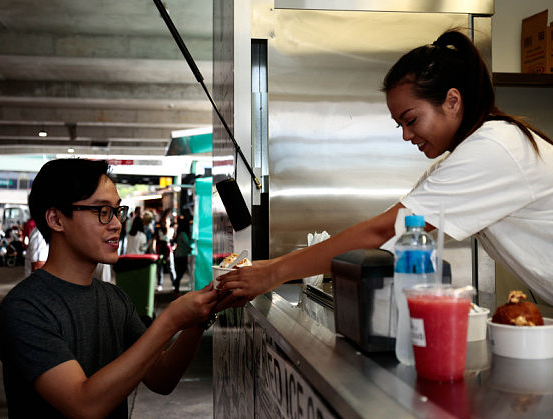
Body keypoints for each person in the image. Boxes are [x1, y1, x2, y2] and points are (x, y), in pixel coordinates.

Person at [218, 29, 553, 306]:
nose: (407, 135)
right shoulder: (469, 154)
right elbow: (394, 228)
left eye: (411, 120)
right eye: (400, 125)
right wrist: (268, 266)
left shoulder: (493, 148)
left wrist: (272, 274)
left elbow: (385, 231)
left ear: (452, 101)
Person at [0, 158, 229, 418]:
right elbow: (84, 404)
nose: (117, 223)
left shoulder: (114, 298)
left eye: (118, 211)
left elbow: (161, 378)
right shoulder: (25, 309)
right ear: (56, 219)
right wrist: (170, 320)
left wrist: (200, 315)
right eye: (102, 211)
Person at [153, 214, 176, 292]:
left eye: (166, 222)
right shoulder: (159, 230)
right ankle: (159, 284)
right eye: (164, 222)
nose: (165, 223)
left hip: (169, 250)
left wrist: (173, 247)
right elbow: (155, 239)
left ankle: (174, 284)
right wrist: (154, 248)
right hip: (161, 250)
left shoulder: (172, 230)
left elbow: (174, 242)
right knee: (160, 268)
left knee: (171, 267)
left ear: (169, 222)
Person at [173, 216, 193, 295]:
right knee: (180, 272)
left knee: (179, 272)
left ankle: (176, 288)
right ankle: (176, 288)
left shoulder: (180, 233)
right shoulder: (183, 234)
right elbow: (188, 243)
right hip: (181, 256)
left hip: (179, 256)